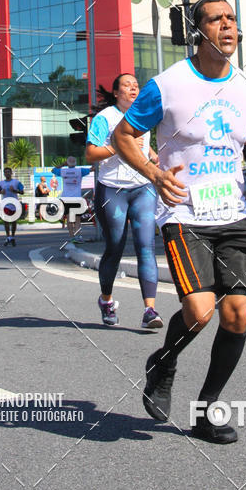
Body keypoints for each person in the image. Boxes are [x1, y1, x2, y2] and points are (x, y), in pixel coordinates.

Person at [113, 0, 246, 445]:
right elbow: (123, 135)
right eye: (217, 20)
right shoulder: (167, 85)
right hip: (183, 212)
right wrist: (155, 173)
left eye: (233, 18)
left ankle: (205, 410)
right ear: (199, 32)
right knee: (199, 313)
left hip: (233, 214)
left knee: (236, 314)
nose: (228, 26)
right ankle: (163, 363)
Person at [86, 73, 162, 330]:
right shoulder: (105, 118)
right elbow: (91, 154)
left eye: (136, 85)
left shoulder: (144, 115)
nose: (133, 89)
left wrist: (152, 155)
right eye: (127, 86)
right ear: (116, 93)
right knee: (115, 248)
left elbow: (144, 146)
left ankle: (149, 310)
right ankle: (106, 301)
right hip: (112, 190)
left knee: (146, 247)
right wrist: (119, 146)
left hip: (142, 188)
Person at [52, 156, 91, 239]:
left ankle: (71, 237)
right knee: (77, 219)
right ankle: (77, 236)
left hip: (66, 199)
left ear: (67, 163)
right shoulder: (80, 171)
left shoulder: (63, 171)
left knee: (69, 219)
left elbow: (53, 170)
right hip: (77, 198)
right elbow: (93, 169)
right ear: (75, 163)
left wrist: (63, 164)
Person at [0, 167, 24, 246]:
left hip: (14, 204)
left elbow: (22, 192)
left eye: (8, 172)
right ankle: (8, 236)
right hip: (6, 204)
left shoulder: (16, 182)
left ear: (11, 173)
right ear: (4, 174)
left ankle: (12, 236)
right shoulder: (1, 183)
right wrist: (1, 192)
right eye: (5, 172)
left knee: (14, 221)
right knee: (6, 221)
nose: (7, 173)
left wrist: (15, 190)